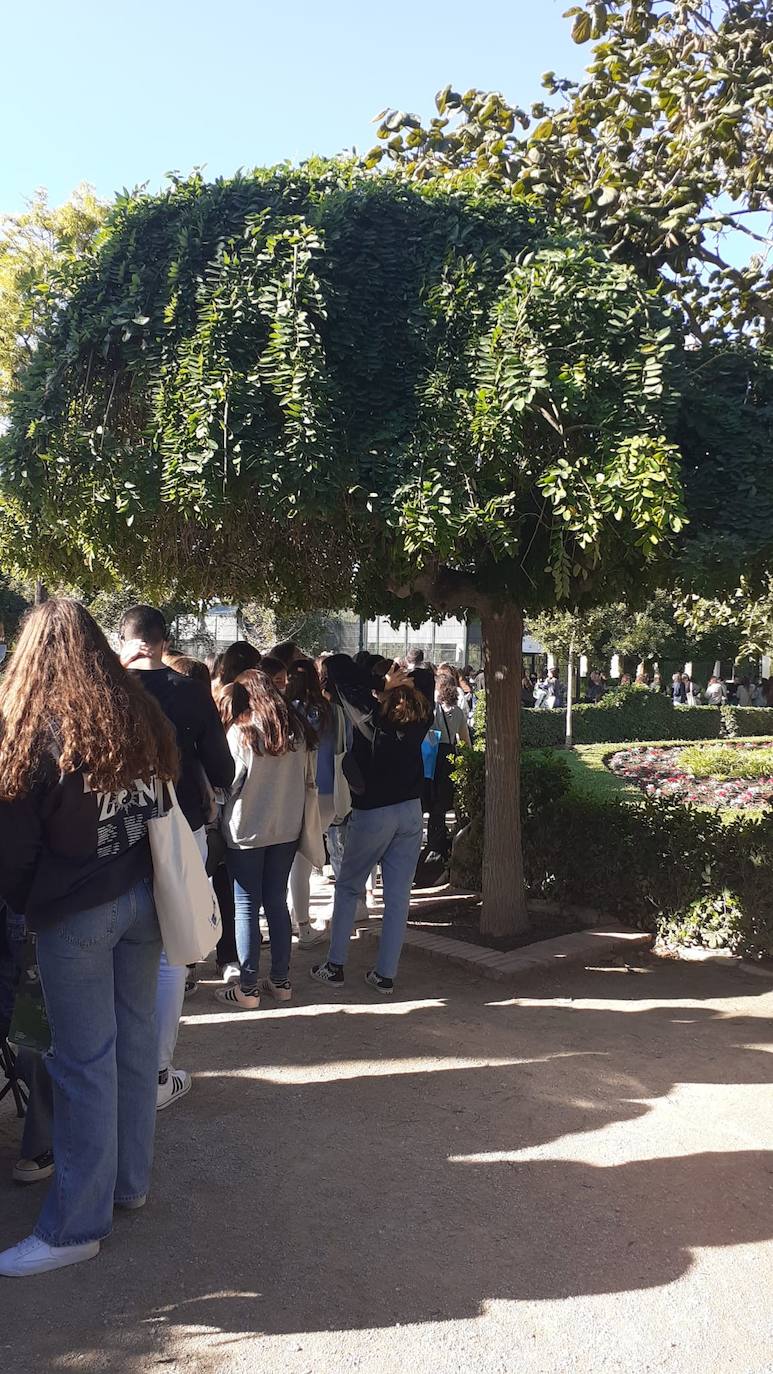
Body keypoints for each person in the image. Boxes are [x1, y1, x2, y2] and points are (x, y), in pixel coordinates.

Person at [0, 599, 178, 1276]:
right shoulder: (135, 712)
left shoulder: (30, 725)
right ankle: (127, 1185)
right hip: (140, 898)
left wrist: (30, 903)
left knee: (83, 1066)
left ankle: (76, 1226)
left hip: (76, 911)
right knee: (130, 1050)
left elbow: (12, 848)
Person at [119, 605, 234, 1109]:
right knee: (171, 955)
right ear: (166, 642)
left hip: (116, 830)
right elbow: (221, 764)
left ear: (125, 640)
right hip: (180, 826)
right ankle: (158, 1072)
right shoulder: (190, 691)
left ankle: (119, 1068)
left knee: (118, 947)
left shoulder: (106, 690)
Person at [311, 657, 433, 994]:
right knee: (397, 898)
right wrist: (402, 681)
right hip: (410, 811)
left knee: (348, 887)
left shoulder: (369, 717)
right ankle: (385, 975)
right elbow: (426, 679)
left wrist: (381, 684)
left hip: (373, 813)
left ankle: (335, 966)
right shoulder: (423, 716)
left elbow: (337, 668)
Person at [217, 670, 317, 1009]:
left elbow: (228, 784)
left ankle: (247, 987)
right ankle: (280, 980)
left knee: (245, 905)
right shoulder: (298, 732)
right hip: (287, 827)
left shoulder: (241, 733)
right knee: (276, 900)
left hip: (245, 829)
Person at [287, 657, 336, 948]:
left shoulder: (288, 713)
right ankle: (300, 919)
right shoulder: (330, 710)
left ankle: (302, 923)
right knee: (305, 861)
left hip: (299, 793)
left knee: (298, 863)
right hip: (329, 792)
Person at [426, 671, 472, 860]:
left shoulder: (433, 710)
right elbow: (465, 741)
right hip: (449, 758)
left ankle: (433, 841)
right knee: (443, 801)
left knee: (432, 799)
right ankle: (438, 841)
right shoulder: (458, 712)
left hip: (433, 757)